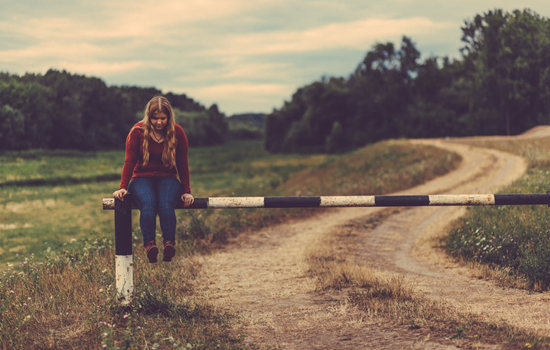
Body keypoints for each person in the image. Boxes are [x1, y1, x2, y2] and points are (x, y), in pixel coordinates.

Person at [113, 95, 194, 263]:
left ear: (169, 117)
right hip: (142, 178)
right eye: (155, 118)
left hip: (168, 178)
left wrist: (187, 191)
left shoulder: (177, 132)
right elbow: (130, 160)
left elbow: (182, 163)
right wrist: (123, 186)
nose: (159, 122)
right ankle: (150, 246)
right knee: (148, 204)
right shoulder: (137, 131)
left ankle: (169, 245)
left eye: (163, 118)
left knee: (165, 204)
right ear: (148, 117)